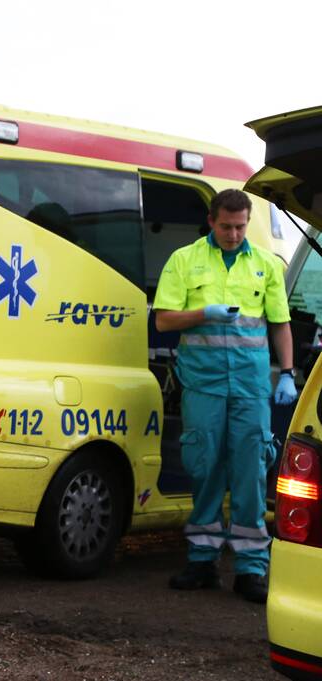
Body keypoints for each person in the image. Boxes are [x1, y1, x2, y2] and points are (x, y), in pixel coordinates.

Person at [153, 188, 297, 604]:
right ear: (212, 222)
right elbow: (163, 320)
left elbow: (280, 324)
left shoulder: (265, 265)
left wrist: (286, 374)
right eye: (227, 226)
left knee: (251, 472)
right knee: (204, 469)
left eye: (241, 226)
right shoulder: (185, 260)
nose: (234, 234)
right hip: (204, 385)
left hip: (251, 388)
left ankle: (251, 570)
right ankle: (202, 561)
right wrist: (204, 313)